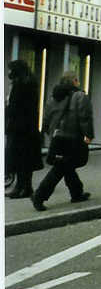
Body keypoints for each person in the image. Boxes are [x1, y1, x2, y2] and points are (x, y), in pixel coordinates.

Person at [32, 71, 93, 211]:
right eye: (77, 80)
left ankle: (77, 192)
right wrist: (88, 135)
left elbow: (46, 117)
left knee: (66, 165)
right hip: (73, 137)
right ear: (75, 81)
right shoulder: (80, 96)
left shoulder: (54, 97)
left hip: (58, 137)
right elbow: (85, 117)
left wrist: (49, 132)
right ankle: (39, 195)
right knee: (61, 167)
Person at [5, 60, 43, 198]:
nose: (8, 73)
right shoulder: (27, 83)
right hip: (26, 129)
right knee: (23, 160)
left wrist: (7, 111)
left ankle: (23, 187)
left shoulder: (22, 85)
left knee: (21, 159)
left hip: (20, 129)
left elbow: (15, 107)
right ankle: (23, 187)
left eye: (10, 70)